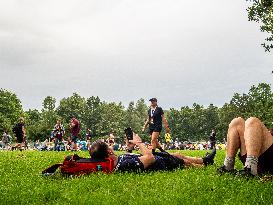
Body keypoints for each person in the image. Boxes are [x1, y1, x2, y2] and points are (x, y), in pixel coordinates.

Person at [89, 133, 216, 173]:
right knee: (184, 162)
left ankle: (205, 160)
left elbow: (128, 156)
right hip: (161, 164)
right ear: (109, 151)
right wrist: (139, 143)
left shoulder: (116, 162)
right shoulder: (123, 166)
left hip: (159, 159)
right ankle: (204, 166)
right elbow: (149, 158)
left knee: (178, 154)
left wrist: (129, 148)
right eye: (108, 146)